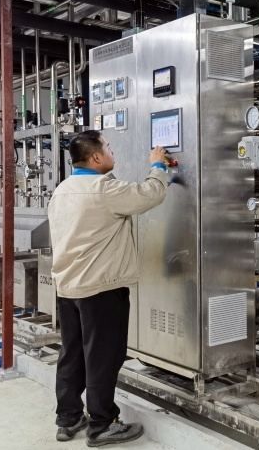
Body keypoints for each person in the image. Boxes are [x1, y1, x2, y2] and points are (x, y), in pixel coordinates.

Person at [48, 130, 168, 447]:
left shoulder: (62, 190)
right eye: (108, 147)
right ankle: (102, 425)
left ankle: (69, 418)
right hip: (101, 290)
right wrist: (158, 165)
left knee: (72, 354)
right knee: (103, 357)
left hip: (68, 287)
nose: (113, 152)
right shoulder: (104, 189)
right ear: (96, 156)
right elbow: (150, 194)